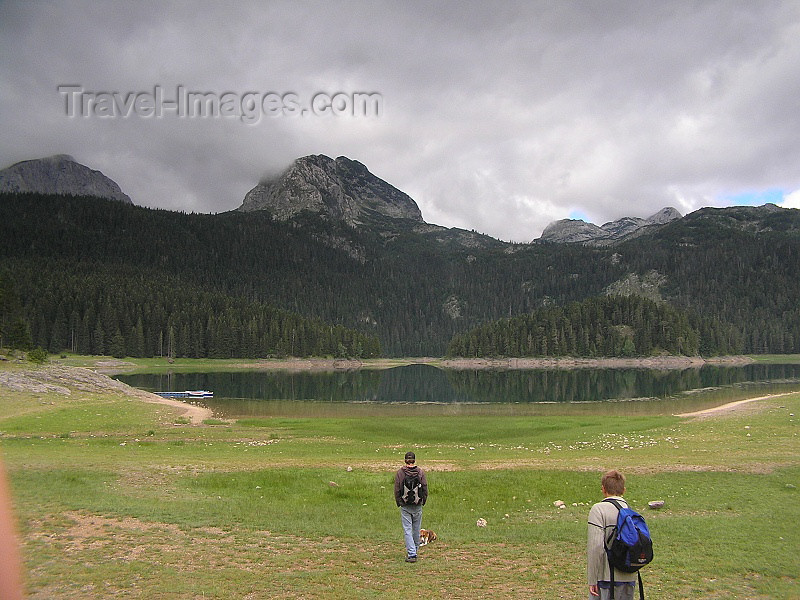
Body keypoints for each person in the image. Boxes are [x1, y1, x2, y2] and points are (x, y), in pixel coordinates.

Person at [587, 470, 639, 600]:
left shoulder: (598, 509)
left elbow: (596, 547)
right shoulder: (630, 510)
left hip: (606, 577)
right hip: (629, 576)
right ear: (623, 490)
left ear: (603, 489)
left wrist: (592, 579)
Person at [394, 451, 428, 563]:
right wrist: (423, 501)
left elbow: (397, 489)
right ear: (414, 460)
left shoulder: (400, 473)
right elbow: (424, 487)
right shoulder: (420, 472)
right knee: (416, 529)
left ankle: (412, 554)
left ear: (405, 460)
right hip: (417, 504)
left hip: (405, 505)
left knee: (407, 529)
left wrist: (399, 502)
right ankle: (415, 550)